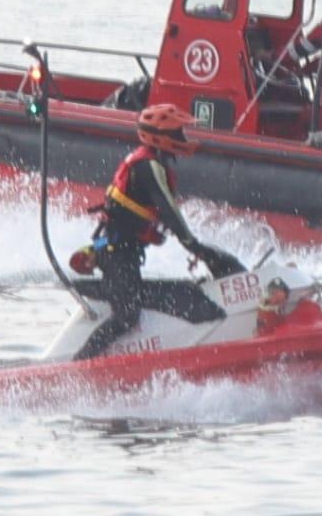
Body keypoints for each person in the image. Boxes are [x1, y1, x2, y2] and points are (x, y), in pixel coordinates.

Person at [68, 104, 247, 360]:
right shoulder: (148, 167)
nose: (183, 138)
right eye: (178, 134)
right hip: (116, 252)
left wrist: (194, 246)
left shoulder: (151, 164)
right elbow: (169, 211)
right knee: (128, 316)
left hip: (124, 250)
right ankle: (80, 365)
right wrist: (193, 245)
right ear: (161, 138)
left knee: (171, 293)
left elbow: (159, 215)